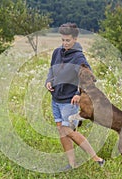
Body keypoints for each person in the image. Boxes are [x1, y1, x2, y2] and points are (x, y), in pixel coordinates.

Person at [45, 23, 105, 170]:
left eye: (68, 40)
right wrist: (48, 81)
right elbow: (51, 70)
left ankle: (97, 159)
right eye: (63, 40)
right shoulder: (57, 52)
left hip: (69, 102)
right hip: (56, 99)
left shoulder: (79, 57)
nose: (65, 43)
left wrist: (79, 93)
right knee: (62, 131)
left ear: (75, 39)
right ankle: (72, 164)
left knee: (68, 131)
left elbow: (90, 78)